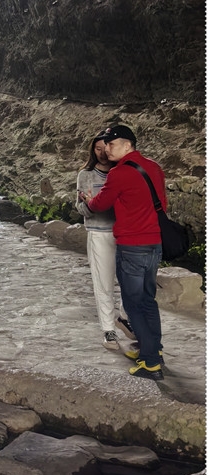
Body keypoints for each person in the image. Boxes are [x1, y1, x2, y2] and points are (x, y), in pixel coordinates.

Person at [84, 125, 166, 380]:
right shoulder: (153, 166)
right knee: (148, 300)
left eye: (112, 143)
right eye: (105, 144)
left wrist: (88, 200)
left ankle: (150, 362)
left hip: (132, 246)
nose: (107, 149)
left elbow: (100, 205)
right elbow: (162, 201)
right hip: (155, 243)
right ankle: (155, 350)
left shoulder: (119, 173)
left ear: (128, 144)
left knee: (134, 303)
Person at [75, 133, 130, 351]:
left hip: (124, 233)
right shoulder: (86, 174)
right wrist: (89, 204)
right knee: (103, 283)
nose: (103, 152)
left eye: (105, 147)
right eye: (97, 149)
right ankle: (108, 331)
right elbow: (79, 207)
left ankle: (124, 317)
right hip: (99, 233)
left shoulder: (122, 172)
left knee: (129, 281)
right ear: (93, 151)